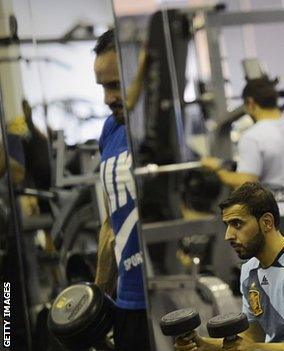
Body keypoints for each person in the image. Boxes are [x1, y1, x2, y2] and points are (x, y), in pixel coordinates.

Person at [176, 182, 284, 351]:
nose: (228, 236)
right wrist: (203, 344)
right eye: (227, 226)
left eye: (237, 224)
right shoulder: (249, 269)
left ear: (267, 222)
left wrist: (255, 349)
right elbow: (251, 337)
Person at [201, 78, 284, 251]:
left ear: (250, 103)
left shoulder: (253, 136)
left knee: (276, 278)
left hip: (279, 222)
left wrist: (216, 168)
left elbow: (246, 182)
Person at [92, 29, 150, 350]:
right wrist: (99, 294)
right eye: (103, 87)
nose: (108, 98)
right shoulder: (110, 129)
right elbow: (110, 222)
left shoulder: (160, 131)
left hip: (168, 293)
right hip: (128, 303)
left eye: (115, 85)